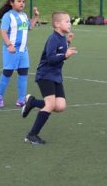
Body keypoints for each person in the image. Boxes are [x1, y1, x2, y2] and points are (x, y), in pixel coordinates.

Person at [20, 11, 77, 145]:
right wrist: (65, 55)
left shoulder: (62, 37)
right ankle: (32, 135)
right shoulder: (53, 39)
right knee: (50, 105)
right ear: (57, 24)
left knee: (60, 106)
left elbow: (60, 52)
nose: (70, 24)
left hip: (56, 76)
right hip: (45, 75)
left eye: (70, 21)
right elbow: (51, 59)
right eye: (67, 21)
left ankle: (32, 102)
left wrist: (67, 43)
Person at [0, 0, 40, 108]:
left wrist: (35, 16)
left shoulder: (24, 15)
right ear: (11, 3)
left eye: (23, 2)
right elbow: (3, 31)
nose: (22, 3)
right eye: (19, 1)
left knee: (23, 74)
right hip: (11, 50)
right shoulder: (8, 16)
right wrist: (9, 45)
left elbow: (30, 27)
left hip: (23, 51)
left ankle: (21, 99)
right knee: (7, 73)